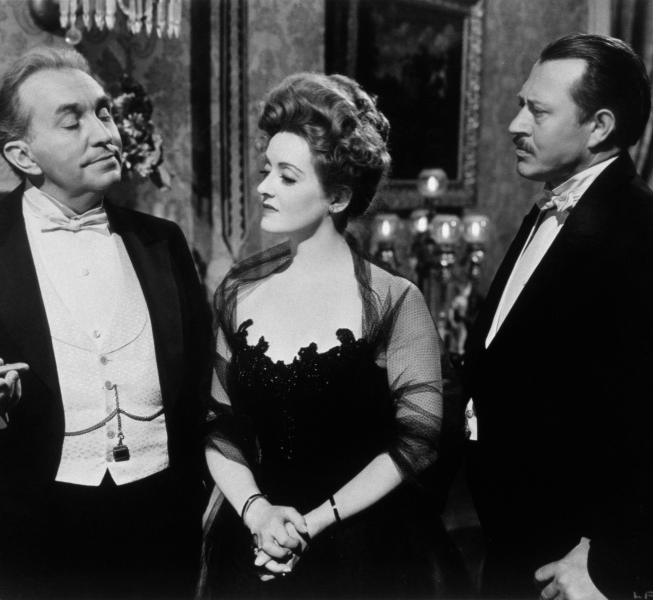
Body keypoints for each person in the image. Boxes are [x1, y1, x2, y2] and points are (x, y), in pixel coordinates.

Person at [462, 32, 653, 599]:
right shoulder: (556, 208)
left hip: (569, 580)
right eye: (520, 105)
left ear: (599, 126)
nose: (514, 125)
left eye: (537, 111)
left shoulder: (648, 242)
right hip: (514, 559)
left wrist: (609, 565)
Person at [0, 46, 211, 599]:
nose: (105, 134)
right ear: (23, 155)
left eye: (104, 113)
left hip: (158, 536)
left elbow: (199, 387)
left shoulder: (163, 242)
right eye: (72, 122)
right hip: (24, 541)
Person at [199, 72, 468, 599]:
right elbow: (219, 425)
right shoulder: (237, 289)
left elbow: (418, 441)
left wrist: (313, 523)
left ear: (338, 196)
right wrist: (257, 514)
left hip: (364, 548)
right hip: (253, 538)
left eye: (286, 176)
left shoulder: (394, 300)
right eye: (266, 170)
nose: (264, 187)